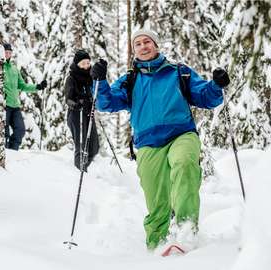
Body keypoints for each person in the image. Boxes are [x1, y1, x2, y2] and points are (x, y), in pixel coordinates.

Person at [90, 29, 230, 251]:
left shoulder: (178, 72)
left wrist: (216, 85)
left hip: (181, 133)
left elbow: (205, 96)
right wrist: (99, 81)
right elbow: (106, 103)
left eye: (147, 42)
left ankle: (186, 230)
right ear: (133, 50)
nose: (143, 46)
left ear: (155, 45)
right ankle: (156, 243)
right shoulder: (130, 79)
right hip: (147, 142)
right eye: (138, 44)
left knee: (184, 165)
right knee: (156, 197)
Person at [0, 43, 47, 150]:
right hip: (1, 104)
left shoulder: (14, 68)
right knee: (4, 133)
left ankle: (13, 153)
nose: (7, 54)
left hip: (14, 105)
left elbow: (22, 85)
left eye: (9, 52)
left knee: (20, 130)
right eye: (5, 52)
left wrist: (38, 87)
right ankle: (4, 155)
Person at [65, 49, 99, 171]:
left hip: (88, 114)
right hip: (76, 115)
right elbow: (68, 99)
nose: (86, 66)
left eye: (88, 63)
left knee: (94, 147)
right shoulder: (72, 78)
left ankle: (83, 168)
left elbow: (95, 93)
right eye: (83, 63)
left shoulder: (91, 77)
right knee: (81, 147)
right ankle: (80, 171)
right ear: (77, 64)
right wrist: (76, 104)